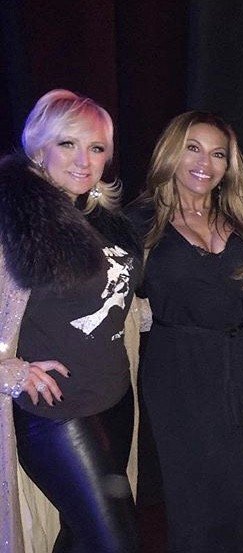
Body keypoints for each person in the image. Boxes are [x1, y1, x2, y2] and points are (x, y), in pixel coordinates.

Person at [0, 89, 141, 552]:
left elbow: (113, 292)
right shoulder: (14, 217)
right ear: (39, 147)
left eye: (96, 148)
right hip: (57, 413)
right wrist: (8, 371)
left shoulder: (103, 218)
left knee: (81, 538)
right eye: (68, 144)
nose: (84, 160)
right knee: (117, 542)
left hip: (114, 399)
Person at [126, 111, 243, 552]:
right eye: (193, 148)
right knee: (194, 501)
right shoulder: (139, 222)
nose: (205, 163)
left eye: (218, 153)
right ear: (172, 152)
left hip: (239, 367)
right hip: (178, 371)